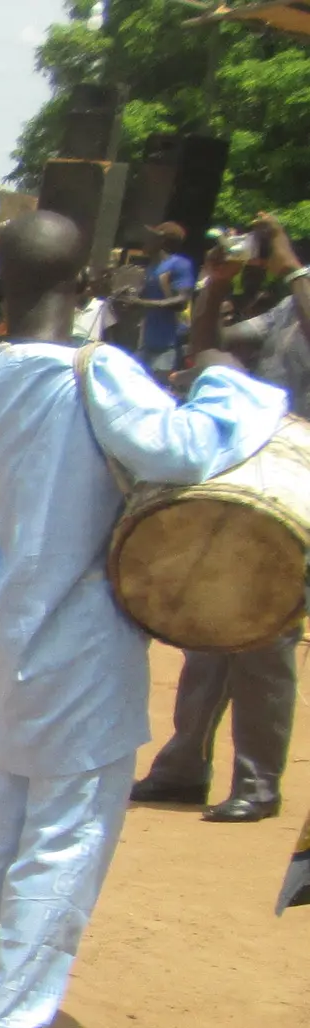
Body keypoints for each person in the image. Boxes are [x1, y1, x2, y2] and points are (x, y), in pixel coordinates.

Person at [0, 210, 289, 1028]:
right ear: (86, 287)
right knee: (68, 831)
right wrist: (223, 378)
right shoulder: (96, 372)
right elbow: (183, 449)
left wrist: (8, 575)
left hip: (12, 632)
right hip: (84, 639)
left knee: (7, 818)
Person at [130, 212, 310, 825]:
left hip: (300, 480)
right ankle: (184, 767)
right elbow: (211, 348)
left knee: (268, 630)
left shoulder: (299, 294)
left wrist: (292, 269)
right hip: (256, 470)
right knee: (211, 622)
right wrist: (216, 285)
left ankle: (259, 782)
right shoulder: (285, 309)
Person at [120, 221, 197, 378]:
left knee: (158, 385)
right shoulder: (152, 268)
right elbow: (144, 301)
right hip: (147, 342)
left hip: (169, 345)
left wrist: (140, 303)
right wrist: (128, 300)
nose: (145, 240)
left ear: (161, 240)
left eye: (151, 237)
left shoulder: (179, 264)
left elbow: (181, 301)